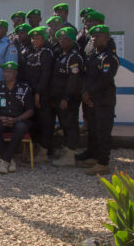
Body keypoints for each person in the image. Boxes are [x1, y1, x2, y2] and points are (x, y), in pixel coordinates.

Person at [78, 25, 119, 175]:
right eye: (93, 36)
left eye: (98, 36)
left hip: (103, 101)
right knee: (93, 130)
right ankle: (94, 156)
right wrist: (85, 94)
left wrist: (89, 93)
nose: (94, 38)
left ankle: (103, 163)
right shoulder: (93, 54)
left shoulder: (108, 57)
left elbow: (105, 79)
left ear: (107, 38)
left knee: (103, 131)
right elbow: (85, 76)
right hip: (91, 100)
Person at [0, 61, 35, 174]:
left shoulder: (25, 89)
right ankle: (9, 160)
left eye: (10, 72)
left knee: (20, 128)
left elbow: (30, 110)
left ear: (16, 73)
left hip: (19, 119)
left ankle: (4, 160)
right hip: (2, 119)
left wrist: (16, 119)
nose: (6, 74)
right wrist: (0, 118)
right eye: (5, 72)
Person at [50, 27, 83, 168]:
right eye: (60, 39)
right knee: (64, 125)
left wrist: (66, 98)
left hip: (68, 99)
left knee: (70, 125)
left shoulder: (74, 56)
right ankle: (66, 150)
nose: (62, 41)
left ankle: (70, 155)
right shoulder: (62, 54)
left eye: (65, 39)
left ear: (72, 40)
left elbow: (73, 79)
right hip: (59, 97)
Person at [22, 26, 55, 162]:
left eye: (38, 38)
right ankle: (35, 149)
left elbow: (45, 76)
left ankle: (44, 152)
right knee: (35, 122)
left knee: (45, 122)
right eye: (33, 38)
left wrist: (38, 93)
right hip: (32, 92)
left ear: (44, 38)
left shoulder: (46, 52)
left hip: (43, 94)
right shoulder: (32, 52)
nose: (35, 40)